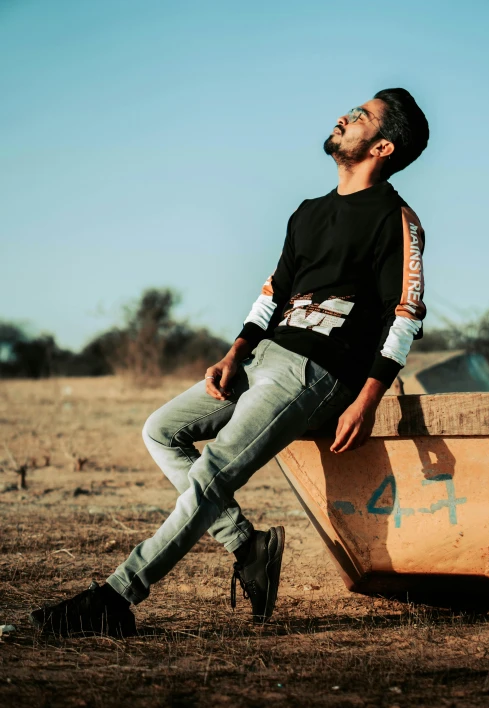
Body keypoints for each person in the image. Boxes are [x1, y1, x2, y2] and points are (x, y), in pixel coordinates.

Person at [30, 87, 429, 637]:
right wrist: (234, 353)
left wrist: (367, 397)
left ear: (383, 146)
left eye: (359, 116)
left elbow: (405, 315)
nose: (343, 116)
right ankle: (249, 546)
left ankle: (115, 598)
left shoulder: (397, 219)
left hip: (314, 375)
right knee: (161, 430)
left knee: (214, 471)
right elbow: (274, 291)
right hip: (263, 357)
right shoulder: (308, 212)